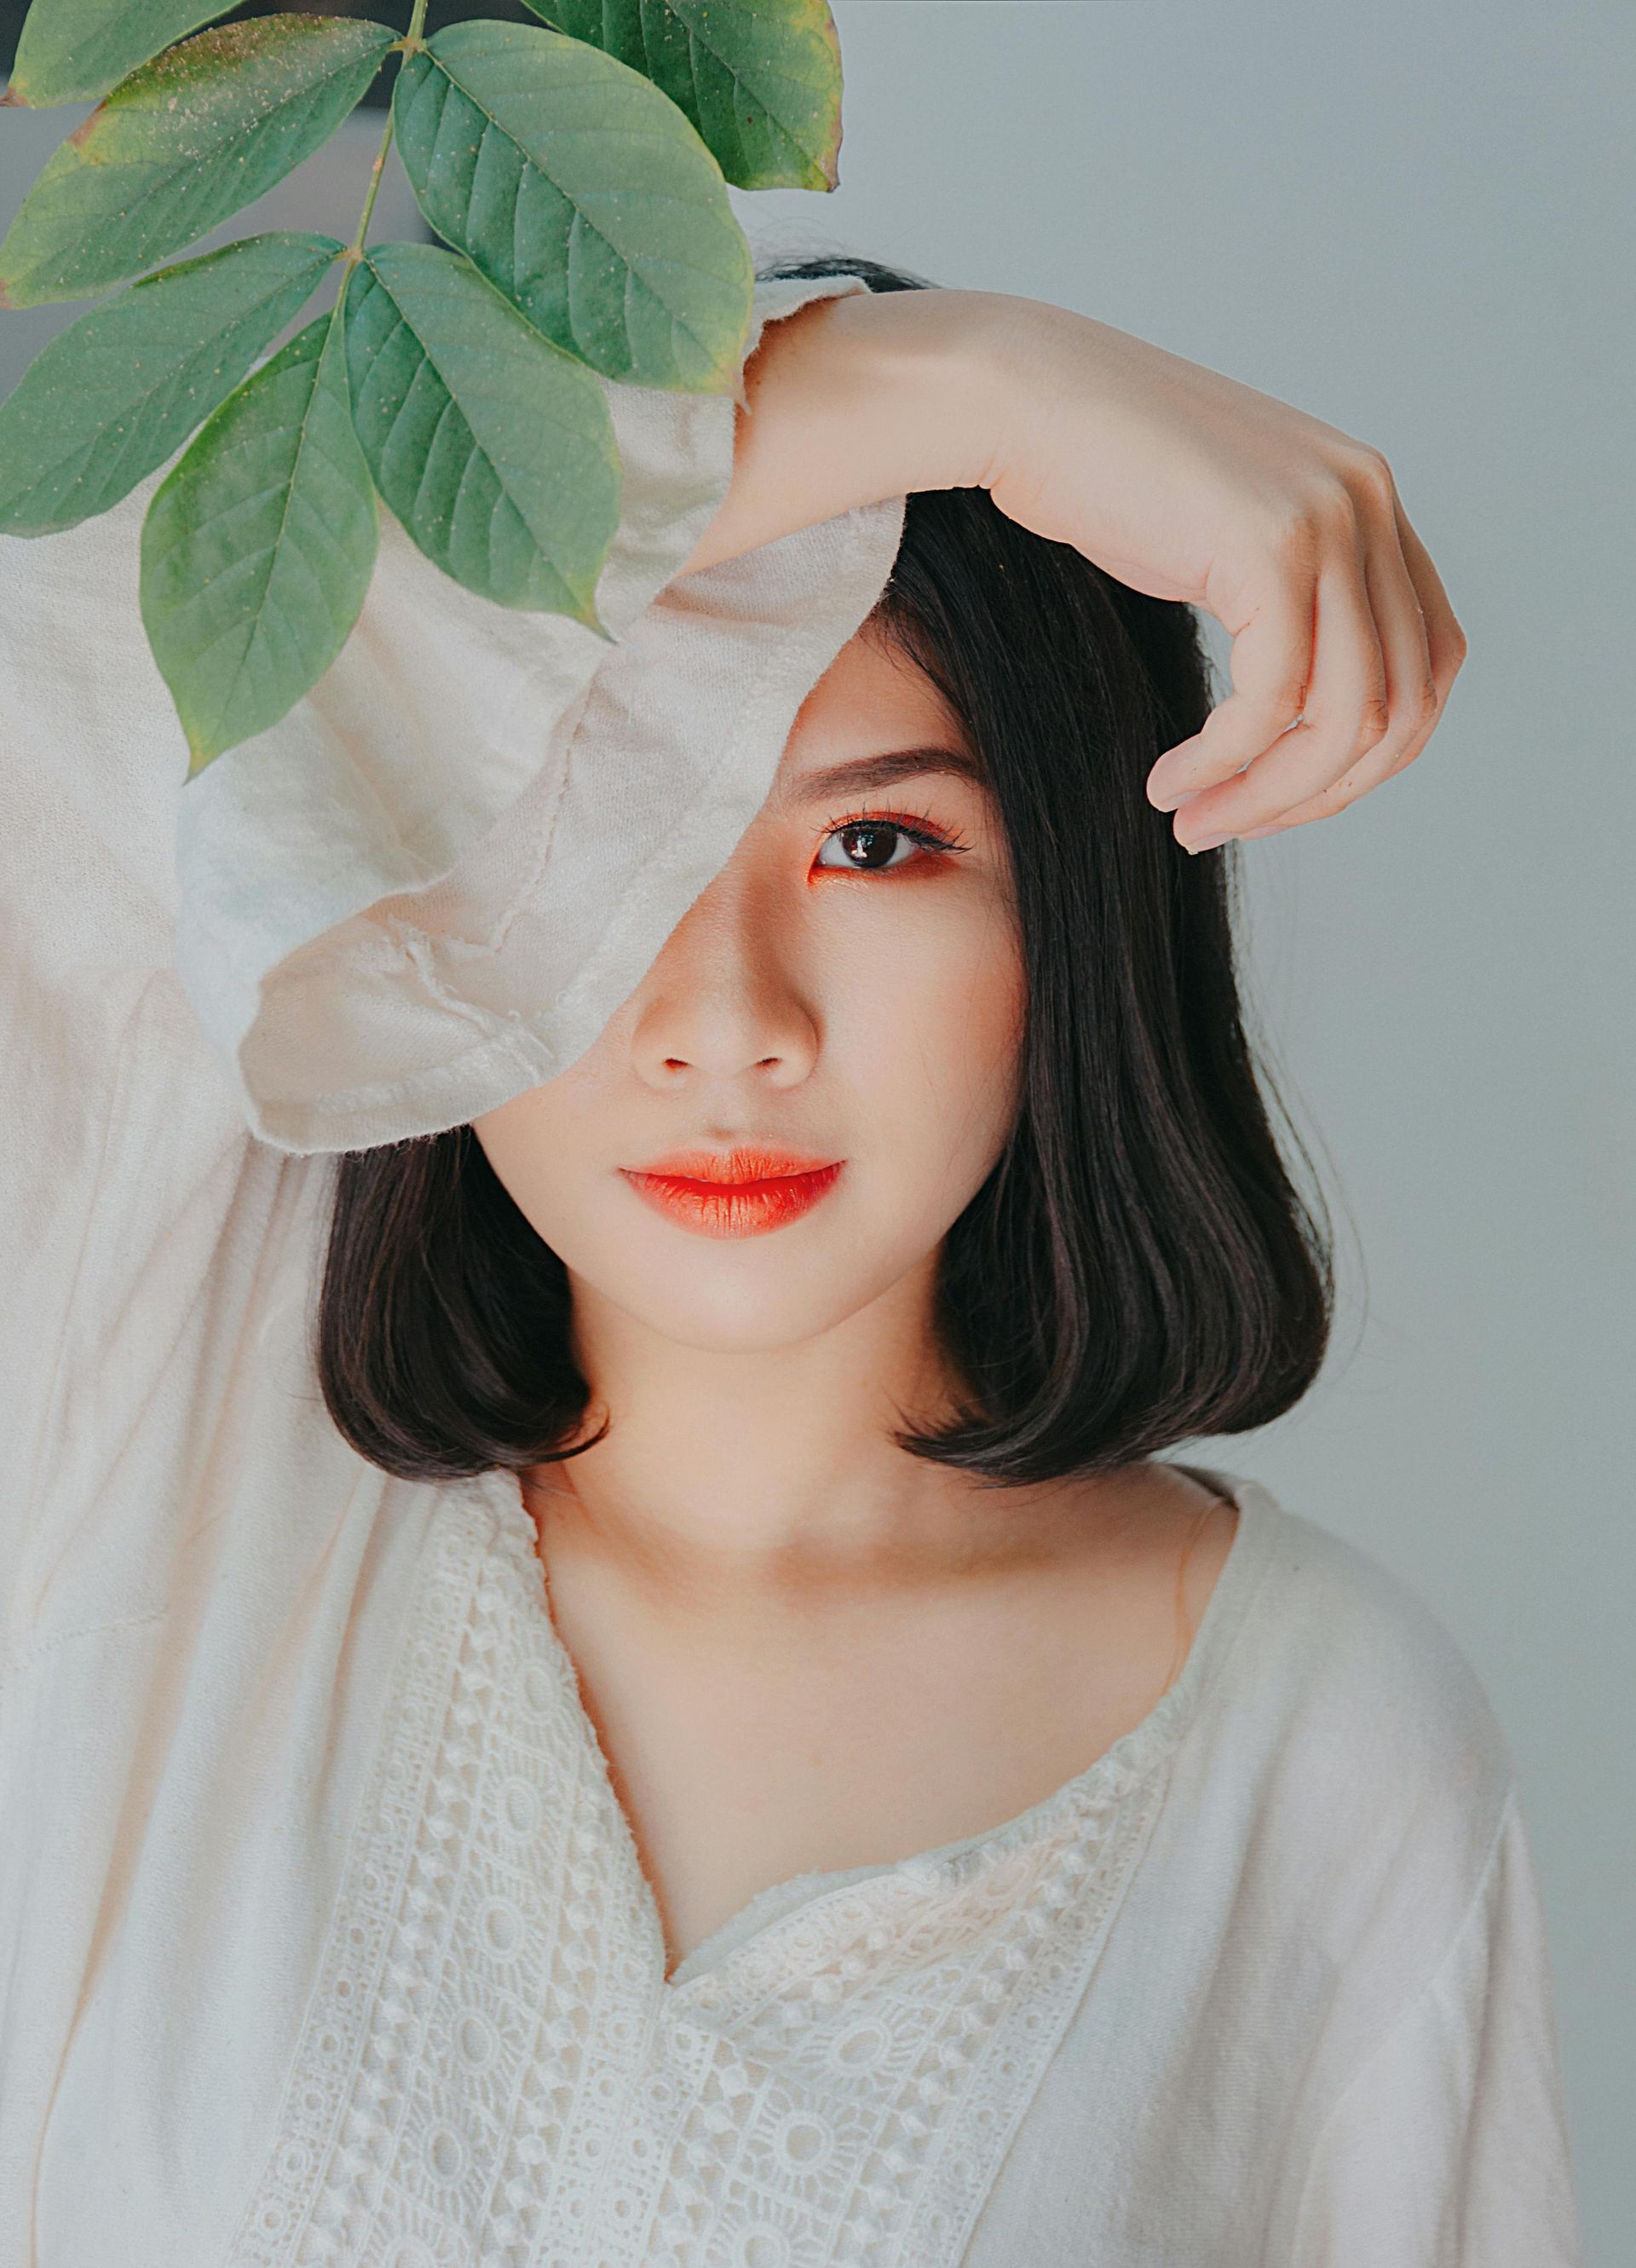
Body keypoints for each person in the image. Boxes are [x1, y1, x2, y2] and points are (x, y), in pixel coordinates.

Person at [0, 253, 1580, 2265]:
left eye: (875, 845)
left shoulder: (1331, 1744)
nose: (725, 1014)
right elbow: (96, 662)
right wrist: (965, 380)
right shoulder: (158, 1463)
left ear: (1073, 913)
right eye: (601, 832)